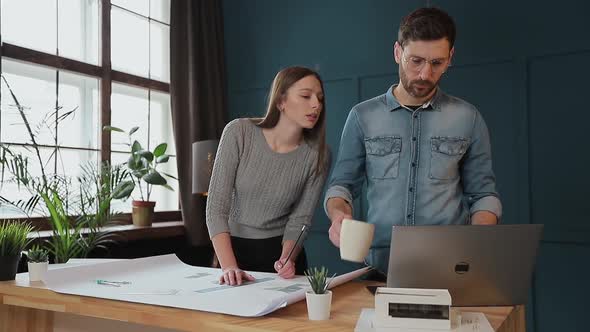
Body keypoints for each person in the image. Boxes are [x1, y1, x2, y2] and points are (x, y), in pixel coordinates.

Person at [324, 7, 502, 276]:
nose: (424, 74)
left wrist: (476, 245)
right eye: (415, 61)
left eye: (437, 63)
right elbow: (342, 187)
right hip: (379, 268)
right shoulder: (362, 116)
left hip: (450, 267)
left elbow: (483, 195)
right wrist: (339, 215)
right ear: (398, 52)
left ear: (450, 58)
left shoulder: (469, 117)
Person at [206, 66, 329, 286]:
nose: (316, 104)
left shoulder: (318, 154)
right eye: (305, 96)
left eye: (319, 98)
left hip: (282, 254)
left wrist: (287, 259)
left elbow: (300, 220)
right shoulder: (238, 132)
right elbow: (216, 208)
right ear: (280, 101)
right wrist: (229, 266)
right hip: (232, 252)